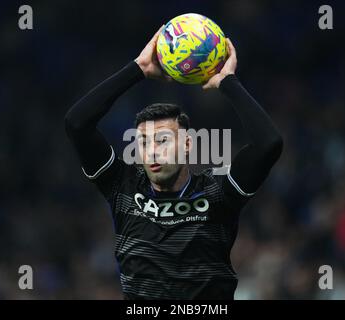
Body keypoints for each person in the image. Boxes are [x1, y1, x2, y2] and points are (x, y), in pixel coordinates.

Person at [64, 25, 283, 299]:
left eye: (163, 140)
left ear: (188, 144)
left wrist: (228, 82)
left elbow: (269, 143)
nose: (153, 151)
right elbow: (77, 124)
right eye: (144, 143)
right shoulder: (122, 186)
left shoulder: (219, 191)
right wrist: (138, 69)